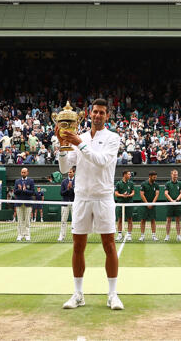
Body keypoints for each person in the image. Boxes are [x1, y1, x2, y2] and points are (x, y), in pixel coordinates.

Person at [57, 98, 123, 311]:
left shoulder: (113, 138)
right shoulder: (81, 137)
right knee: (78, 247)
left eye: (102, 112)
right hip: (82, 198)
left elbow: (101, 161)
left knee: (109, 245)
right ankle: (78, 294)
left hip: (103, 198)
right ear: (90, 113)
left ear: (107, 116)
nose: (97, 115)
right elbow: (64, 168)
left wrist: (77, 143)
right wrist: (62, 147)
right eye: (95, 112)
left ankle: (112, 295)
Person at [13, 168, 36, 241]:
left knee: (27, 220)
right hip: (19, 203)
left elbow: (32, 192)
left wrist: (25, 190)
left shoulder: (31, 181)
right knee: (20, 220)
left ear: (27, 173)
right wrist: (19, 189)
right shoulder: (17, 181)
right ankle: (20, 235)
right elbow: (15, 192)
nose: (23, 173)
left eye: (24, 172)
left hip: (28, 203)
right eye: (22, 172)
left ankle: (27, 235)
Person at [163, 169, 181, 242]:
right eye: (174, 174)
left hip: (178, 204)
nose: (175, 176)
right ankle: (167, 236)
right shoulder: (167, 184)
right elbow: (166, 193)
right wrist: (172, 201)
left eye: (176, 175)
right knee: (168, 220)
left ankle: (178, 236)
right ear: (171, 175)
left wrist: (177, 200)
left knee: (178, 220)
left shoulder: (180, 183)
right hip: (170, 204)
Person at [139, 171, 160, 241]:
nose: (155, 178)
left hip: (153, 205)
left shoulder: (156, 185)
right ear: (150, 176)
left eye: (155, 177)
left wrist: (152, 203)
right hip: (144, 205)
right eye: (154, 177)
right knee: (143, 220)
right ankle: (142, 236)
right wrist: (147, 203)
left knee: (153, 220)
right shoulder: (143, 184)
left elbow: (157, 194)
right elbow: (142, 194)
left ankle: (154, 236)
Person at [114, 170, 134, 242]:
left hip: (129, 203)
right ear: (124, 175)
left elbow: (133, 192)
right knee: (119, 219)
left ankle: (129, 235)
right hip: (120, 203)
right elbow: (116, 193)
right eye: (129, 174)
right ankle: (119, 235)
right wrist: (122, 195)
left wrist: (128, 195)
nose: (130, 175)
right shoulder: (118, 183)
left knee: (130, 219)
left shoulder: (131, 183)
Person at [59, 168, 75, 242]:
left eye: (70, 172)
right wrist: (68, 189)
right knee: (63, 220)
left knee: (75, 221)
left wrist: (71, 189)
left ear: (74, 173)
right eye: (68, 172)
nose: (69, 173)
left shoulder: (77, 181)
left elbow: (78, 193)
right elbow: (61, 193)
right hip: (65, 203)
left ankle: (74, 237)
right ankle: (62, 236)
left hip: (74, 203)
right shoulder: (64, 182)